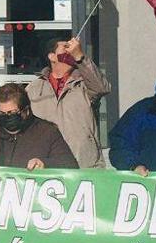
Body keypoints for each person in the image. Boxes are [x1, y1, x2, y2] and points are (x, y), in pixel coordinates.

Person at [24, 36, 110, 168]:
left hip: (83, 162)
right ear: (52, 56)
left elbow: (102, 87)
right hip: (46, 162)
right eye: (65, 47)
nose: (70, 51)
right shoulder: (34, 88)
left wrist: (80, 57)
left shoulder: (83, 84)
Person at [0, 83, 77, 170]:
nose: (7, 117)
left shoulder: (47, 133)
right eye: (2, 113)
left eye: (12, 112)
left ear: (25, 111)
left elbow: (70, 165)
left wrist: (45, 164)